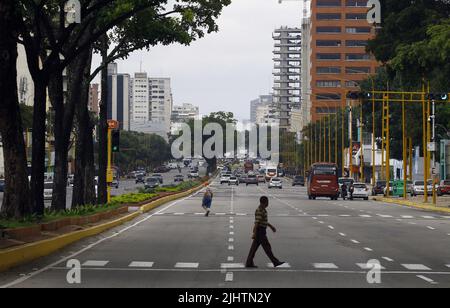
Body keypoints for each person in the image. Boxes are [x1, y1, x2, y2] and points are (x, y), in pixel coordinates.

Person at [246, 196, 285, 268]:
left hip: (261, 231)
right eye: (267, 202)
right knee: (267, 247)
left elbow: (263, 221)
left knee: (254, 248)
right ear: (265, 203)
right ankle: (275, 262)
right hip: (260, 231)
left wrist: (271, 226)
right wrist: (254, 233)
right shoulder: (260, 210)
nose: (268, 204)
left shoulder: (263, 210)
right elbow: (257, 223)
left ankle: (249, 262)